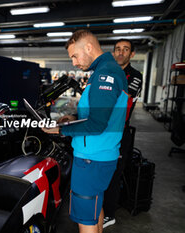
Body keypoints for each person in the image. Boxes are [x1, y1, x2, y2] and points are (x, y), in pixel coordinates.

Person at [42, 30, 128, 233]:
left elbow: (97, 125)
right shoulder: (105, 72)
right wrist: (72, 119)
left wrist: (59, 129)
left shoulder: (105, 74)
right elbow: (102, 115)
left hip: (92, 159)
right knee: (94, 210)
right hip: (101, 156)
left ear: (88, 47)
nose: (73, 62)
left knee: (85, 221)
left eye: (74, 56)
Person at [103, 39, 143, 228]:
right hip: (102, 129)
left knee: (114, 173)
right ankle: (100, 208)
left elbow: (123, 103)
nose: (121, 52)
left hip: (119, 132)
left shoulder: (135, 76)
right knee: (101, 170)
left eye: (125, 49)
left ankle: (109, 214)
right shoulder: (108, 72)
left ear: (132, 54)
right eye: (118, 49)